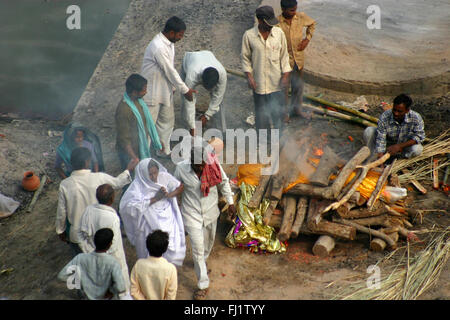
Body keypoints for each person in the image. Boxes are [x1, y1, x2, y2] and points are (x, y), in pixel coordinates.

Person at [174, 139, 236, 300]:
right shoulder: (181, 169)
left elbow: (223, 183)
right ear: (191, 161)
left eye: (202, 165)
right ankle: (203, 284)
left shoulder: (213, 165)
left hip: (210, 212)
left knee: (208, 244)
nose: (200, 169)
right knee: (197, 248)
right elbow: (175, 187)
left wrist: (230, 203)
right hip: (191, 213)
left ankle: (201, 262)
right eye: (196, 166)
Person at [55, 147, 137, 256]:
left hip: (78, 236)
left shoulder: (65, 184)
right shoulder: (99, 178)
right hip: (99, 231)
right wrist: (128, 170)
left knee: (86, 267)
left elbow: (62, 211)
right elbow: (117, 183)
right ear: (87, 162)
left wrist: (60, 230)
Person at [141, 16, 197, 158]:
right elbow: (169, 70)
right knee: (148, 126)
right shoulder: (158, 46)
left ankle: (162, 150)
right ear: (171, 33)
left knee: (166, 121)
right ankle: (144, 157)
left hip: (165, 90)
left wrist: (172, 87)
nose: (181, 38)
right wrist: (185, 90)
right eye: (180, 35)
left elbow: (169, 70)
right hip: (151, 91)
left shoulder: (169, 43)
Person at [119, 158, 185, 265]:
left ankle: (168, 270)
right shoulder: (137, 186)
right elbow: (128, 207)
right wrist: (155, 199)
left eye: (155, 172)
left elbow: (180, 186)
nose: (154, 177)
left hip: (167, 217)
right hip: (148, 224)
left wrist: (169, 194)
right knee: (150, 251)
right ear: (143, 174)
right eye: (150, 174)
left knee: (171, 250)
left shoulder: (164, 177)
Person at [241, 5, 291, 132]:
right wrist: (249, 76)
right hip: (259, 85)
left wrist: (285, 76)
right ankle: (262, 141)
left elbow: (284, 57)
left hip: (276, 84)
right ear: (259, 20)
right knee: (261, 114)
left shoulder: (279, 34)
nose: (270, 26)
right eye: (268, 23)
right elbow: (245, 58)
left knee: (277, 114)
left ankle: (279, 140)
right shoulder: (249, 36)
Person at [78, 184, 130, 292]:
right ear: (112, 198)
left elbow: (81, 236)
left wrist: (88, 250)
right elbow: (114, 245)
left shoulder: (88, 210)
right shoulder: (112, 218)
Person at [58, 228, 128, 300]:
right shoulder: (112, 263)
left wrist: (84, 284)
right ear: (110, 244)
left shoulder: (80, 258)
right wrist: (111, 291)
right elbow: (121, 288)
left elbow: (62, 275)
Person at [277, 0, 316, 119]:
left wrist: (307, 39)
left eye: (295, 9)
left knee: (298, 86)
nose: (295, 12)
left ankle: (296, 110)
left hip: (298, 60)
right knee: (283, 88)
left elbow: (312, 24)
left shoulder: (300, 17)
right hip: (284, 62)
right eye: (292, 10)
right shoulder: (276, 23)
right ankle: (283, 114)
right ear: (283, 9)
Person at [115, 74, 162, 171]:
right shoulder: (124, 110)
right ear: (134, 92)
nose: (146, 92)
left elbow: (146, 123)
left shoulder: (138, 101)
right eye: (144, 90)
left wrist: (157, 140)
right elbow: (124, 139)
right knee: (132, 179)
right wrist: (134, 158)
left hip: (139, 147)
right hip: (130, 153)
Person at [363, 94, 425, 160]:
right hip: (388, 145)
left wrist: (399, 146)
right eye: (394, 110)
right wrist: (380, 157)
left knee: (417, 149)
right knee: (369, 131)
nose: (396, 113)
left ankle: (401, 159)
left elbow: (420, 136)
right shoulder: (385, 116)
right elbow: (381, 138)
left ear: (407, 110)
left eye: (399, 111)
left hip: (404, 146)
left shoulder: (416, 118)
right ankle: (373, 157)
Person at [181, 51, 227, 136]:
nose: (208, 90)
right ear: (202, 80)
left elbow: (218, 97)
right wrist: (192, 126)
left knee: (219, 101)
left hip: (208, 54)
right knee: (185, 99)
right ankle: (187, 131)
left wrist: (207, 116)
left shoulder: (222, 74)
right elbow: (189, 101)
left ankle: (221, 129)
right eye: (207, 87)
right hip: (190, 58)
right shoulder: (192, 74)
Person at [130, 230, 178, 300]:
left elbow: (133, 291)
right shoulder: (171, 269)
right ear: (165, 249)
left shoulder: (139, 265)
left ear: (147, 246)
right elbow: (171, 296)